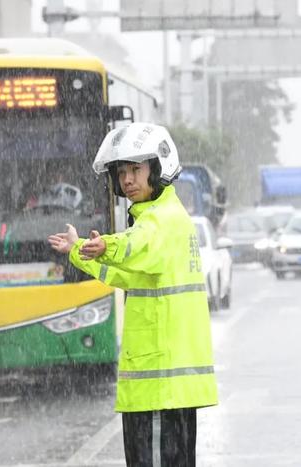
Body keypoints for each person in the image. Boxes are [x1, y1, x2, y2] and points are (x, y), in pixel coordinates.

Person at [48, 123, 218, 466]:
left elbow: (136, 245)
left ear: (158, 168)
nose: (127, 179)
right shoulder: (159, 217)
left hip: (160, 388)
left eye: (136, 169)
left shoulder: (162, 220)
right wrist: (80, 249)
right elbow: (128, 275)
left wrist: (104, 245)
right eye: (121, 172)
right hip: (160, 387)